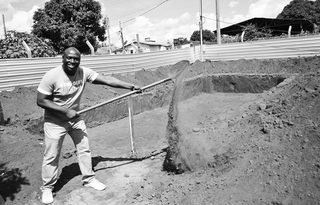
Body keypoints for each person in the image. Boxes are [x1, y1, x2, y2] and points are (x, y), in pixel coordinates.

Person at [37, 47, 141, 204]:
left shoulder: (83, 72)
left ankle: (89, 179)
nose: (72, 61)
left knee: (84, 149)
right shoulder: (51, 76)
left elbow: (107, 80)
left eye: (76, 59)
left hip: (75, 119)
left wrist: (130, 86)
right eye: (69, 58)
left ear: (80, 60)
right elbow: (41, 100)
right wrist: (65, 111)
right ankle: (47, 188)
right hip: (55, 122)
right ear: (63, 58)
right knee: (51, 155)